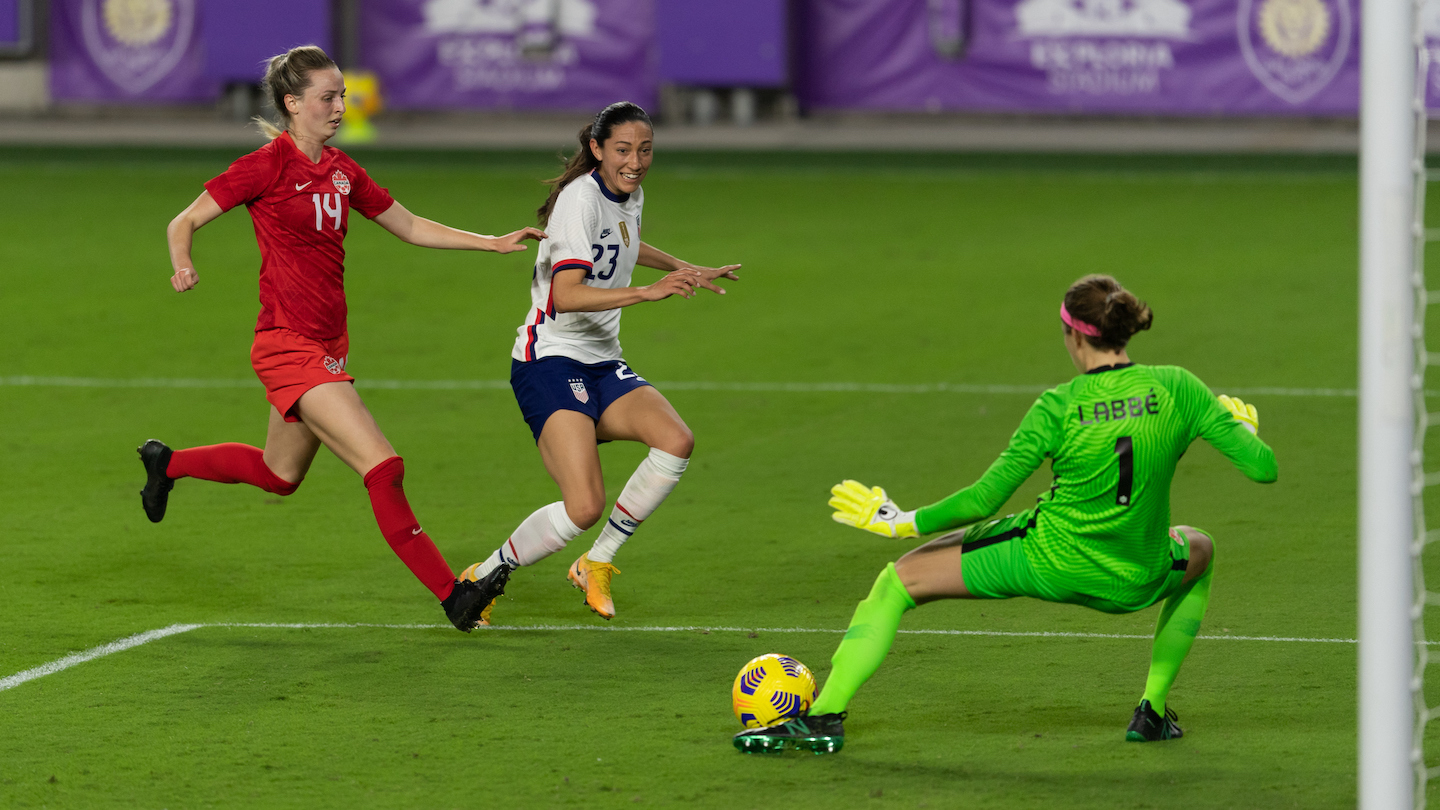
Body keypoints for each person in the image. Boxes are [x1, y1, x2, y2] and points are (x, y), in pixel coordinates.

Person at [734, 274, 1278, 754]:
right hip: (1138, 573)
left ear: (1072, 334)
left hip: (1046, 561)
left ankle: (823, 718)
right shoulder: (1178, 387)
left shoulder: (1058, 407)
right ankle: (1152, 713)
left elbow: (983, 500)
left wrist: (899, 521)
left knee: (896, 583)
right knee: (1199, 549)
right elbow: (1263, 470)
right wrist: (1241, 430)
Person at [140, 45, 544, 633]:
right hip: (287, 346)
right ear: (292, 104)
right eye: (327, 97)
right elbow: (184, 220)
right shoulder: (266, 165)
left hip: (328, 346)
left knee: (280, 475)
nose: (338, 107)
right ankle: (454, 595)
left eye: (341, 96)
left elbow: (406, 225)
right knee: (383, 466)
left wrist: (488, 241)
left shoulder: (341, 169)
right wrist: (183, 262)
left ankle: (167, 463)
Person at [458, 101, 740, 624]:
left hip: (601, 361)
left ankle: (597, 561)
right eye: (623, 150)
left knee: (675, 440)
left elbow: (622, 242)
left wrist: (683, 267)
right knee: (583, 507)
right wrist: (646, 294)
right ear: (597, 149)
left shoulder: (625, 193)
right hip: (549, 359)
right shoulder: (578, 200)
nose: (635, 161)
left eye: (645, 150)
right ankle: (486, 575)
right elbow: (564, 295)